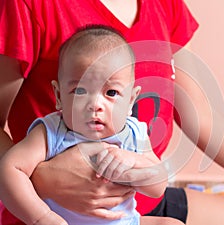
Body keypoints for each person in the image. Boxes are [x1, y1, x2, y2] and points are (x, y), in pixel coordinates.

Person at [0, 0, 224, 225]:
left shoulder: (164, 5)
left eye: (112, 93)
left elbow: (200, 115)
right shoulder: (28, 5)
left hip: (134, 210)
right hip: (48, 209)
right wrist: (42, 180)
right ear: (59, 95)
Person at [0, 25, 183, 225]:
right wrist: (42, 218)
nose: (95, 105)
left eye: (111, 93)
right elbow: (10, 169)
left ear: (131, 100)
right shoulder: (52, 131)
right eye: (80, 91)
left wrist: (133, 162)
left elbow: (157, 186)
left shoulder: (133, 133)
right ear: (59, 96)